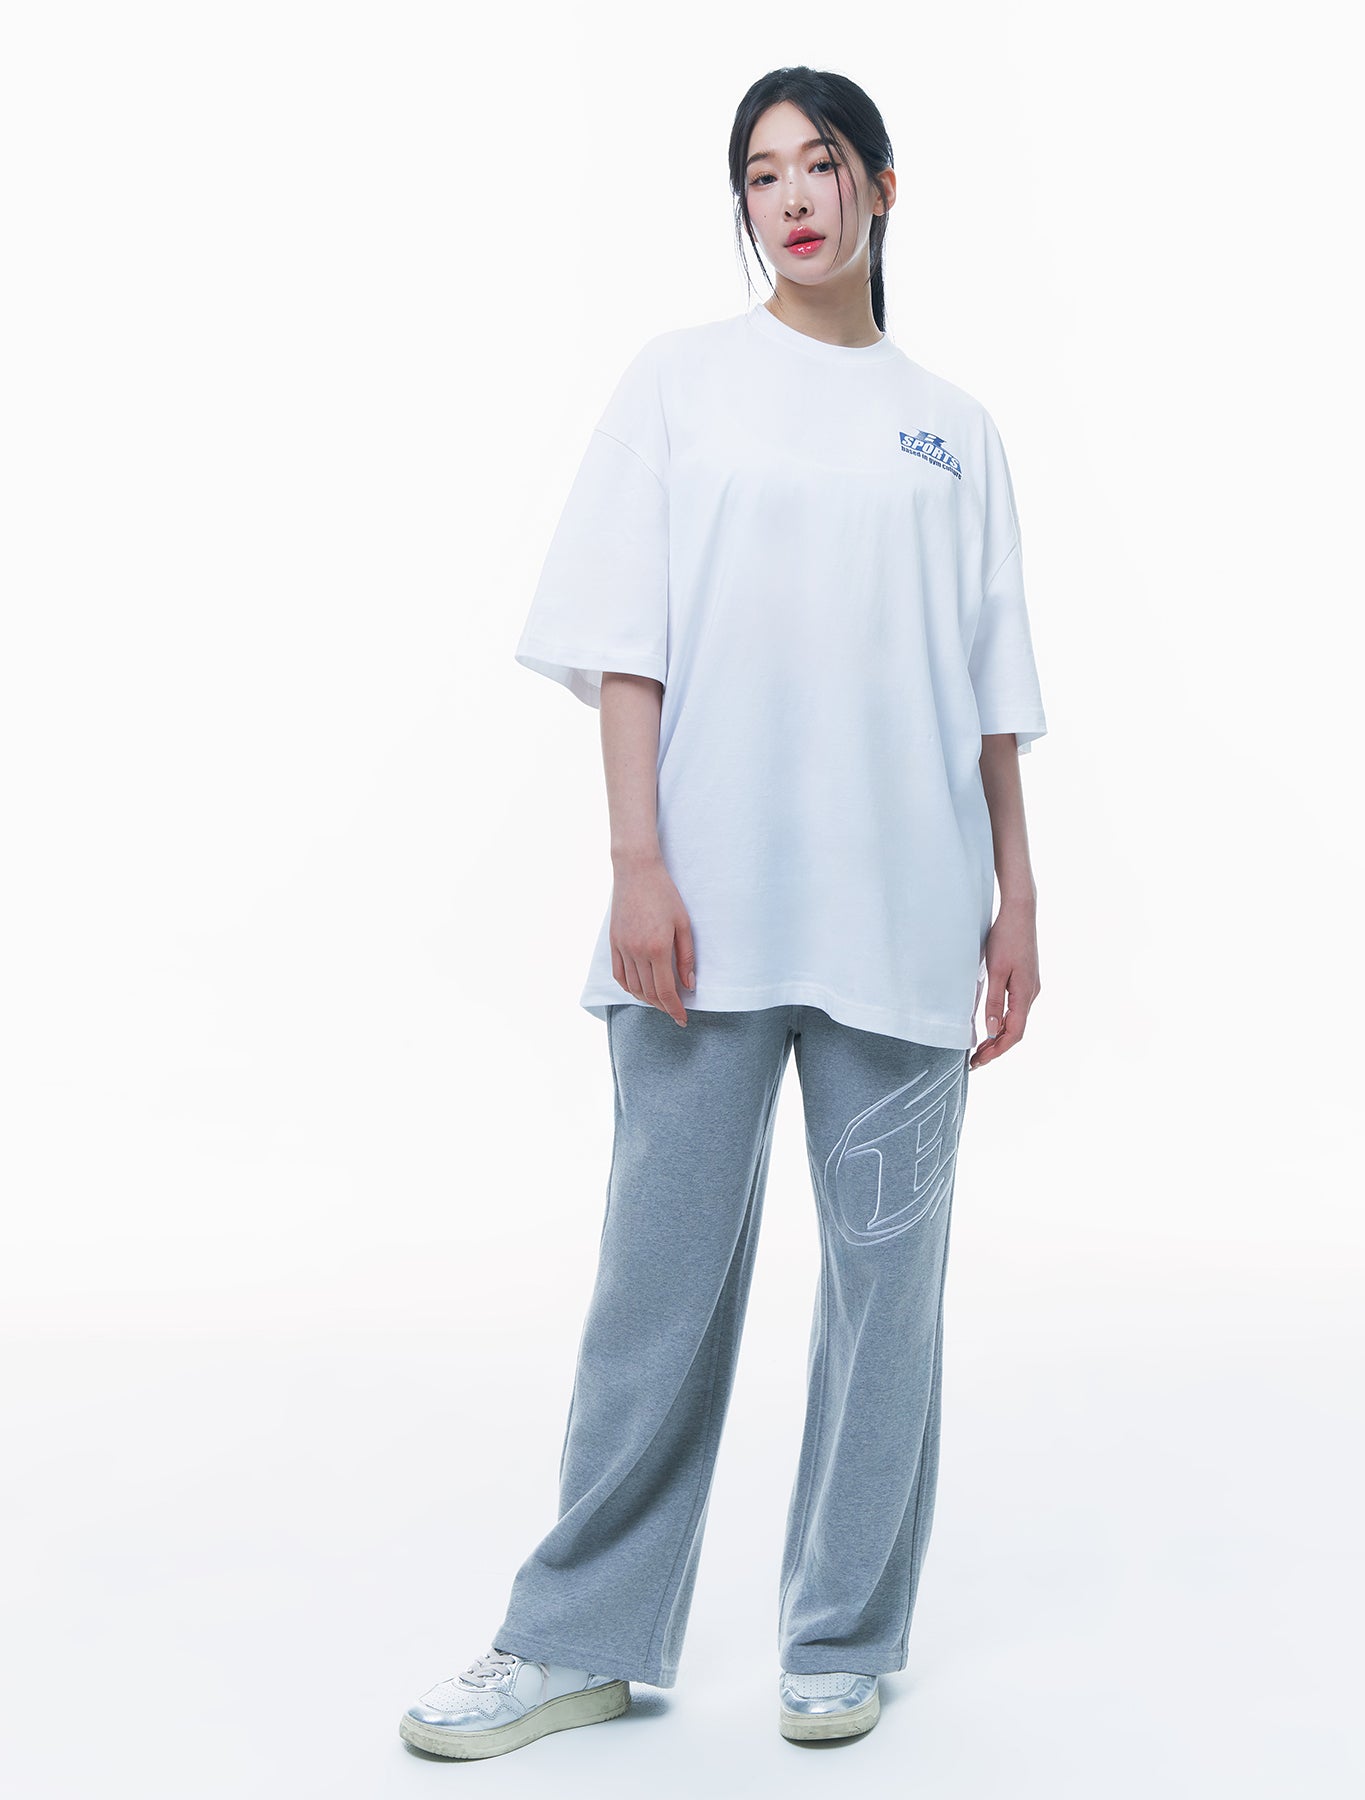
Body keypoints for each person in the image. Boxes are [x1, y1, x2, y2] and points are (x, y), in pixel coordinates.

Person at [399, 64, 1048, 1761]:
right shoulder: (681, 383)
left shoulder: (954, 429)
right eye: (762, 174)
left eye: (821, 163)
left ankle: (843, 1636)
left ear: (883, 185)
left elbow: (989, 694)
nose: (792, 197)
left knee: (888, 1303)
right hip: (703, 917)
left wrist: (1018, 897)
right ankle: (578, 1639)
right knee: (656, 1293)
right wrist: (637, 863)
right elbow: (628, 639)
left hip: (908, 916)